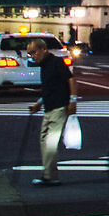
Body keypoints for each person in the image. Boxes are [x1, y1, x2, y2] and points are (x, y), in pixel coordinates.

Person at [27, 38, 73, 186]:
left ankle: (49, 176)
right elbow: (49, 88)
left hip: (59, 107)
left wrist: (73, 101)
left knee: (50, 143)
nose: (32, 56)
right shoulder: (44, 65)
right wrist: (39, 103)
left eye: (34, 52)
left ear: (43, 49)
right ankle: (50, 174)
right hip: (49, 108)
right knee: (44, 141)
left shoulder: (56, 62)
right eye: (30, 54)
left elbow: (71, 80)